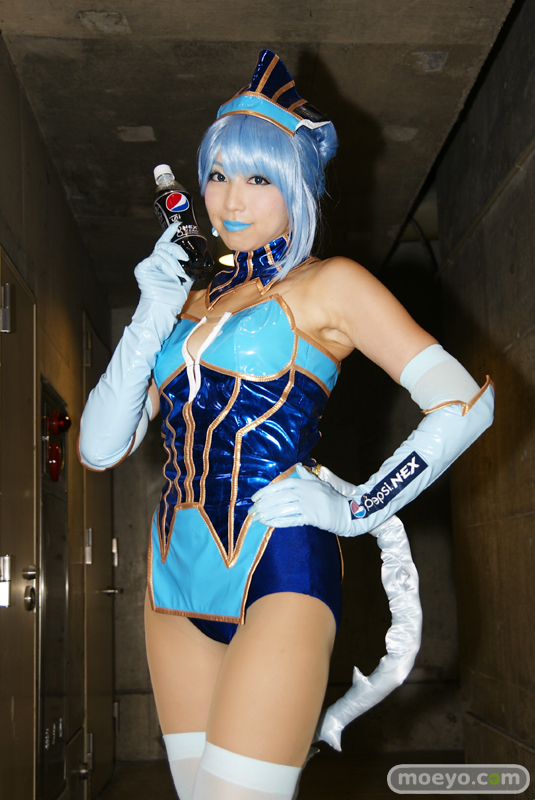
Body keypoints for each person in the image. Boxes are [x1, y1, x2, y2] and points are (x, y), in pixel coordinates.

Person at [79, 50, 494, 800]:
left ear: (296, 185)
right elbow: (99, 446)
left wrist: (357, 506)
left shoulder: (330, 284)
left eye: (258, 178)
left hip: (281, 569)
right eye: (217, 175)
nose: (230, 199)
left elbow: (467, 402)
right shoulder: (188, 303)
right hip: (172, 577)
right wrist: (148, 314)